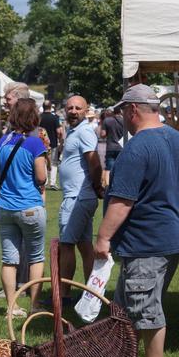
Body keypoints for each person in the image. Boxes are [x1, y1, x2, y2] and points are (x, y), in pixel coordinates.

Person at [94, 84, 179, 357]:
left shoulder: (137, 147)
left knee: (145, 306)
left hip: (146, 241)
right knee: (126, 306)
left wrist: (103, 237)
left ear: (132, 110)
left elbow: (122, 201)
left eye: (123, 112)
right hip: (170, 239)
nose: (123, 118)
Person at [0, 99, 47, 318]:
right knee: (35, 256)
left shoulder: (2, 142)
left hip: (5, 207)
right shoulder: (35, 144)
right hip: (30, 206)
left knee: (9, 259)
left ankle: (11, 306)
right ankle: (34, 305)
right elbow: (42, 177)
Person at [57, 95, 103, 303]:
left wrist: (96, 186)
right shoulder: (76, 130)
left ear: (86, 111)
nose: (73, 111)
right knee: (84, 245)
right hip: (79, 195)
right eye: (70, 108)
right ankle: (91, 292)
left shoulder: (84, 131)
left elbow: (94, 163)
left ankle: (64, 295)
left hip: (78, 197)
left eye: (78, 108)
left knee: (66, 244)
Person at [39, 100, 62, 189]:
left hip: (41, 143)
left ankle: (44, 181)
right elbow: (59, 131)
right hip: (53, 143)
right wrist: (60, 139)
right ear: (50, 107)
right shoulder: (54, 118)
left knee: (43, 161)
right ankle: (52, 182)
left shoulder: (39, 117)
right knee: (53, 163)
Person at [101, 107, 124, 186]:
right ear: (120, 111)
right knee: (121, 167)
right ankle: (119, 184)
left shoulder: (107, 120)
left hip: (110, 147)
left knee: (109, 167)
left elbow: (103, 134)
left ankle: (107, 186)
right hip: (122, 147)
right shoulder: (125, 121)